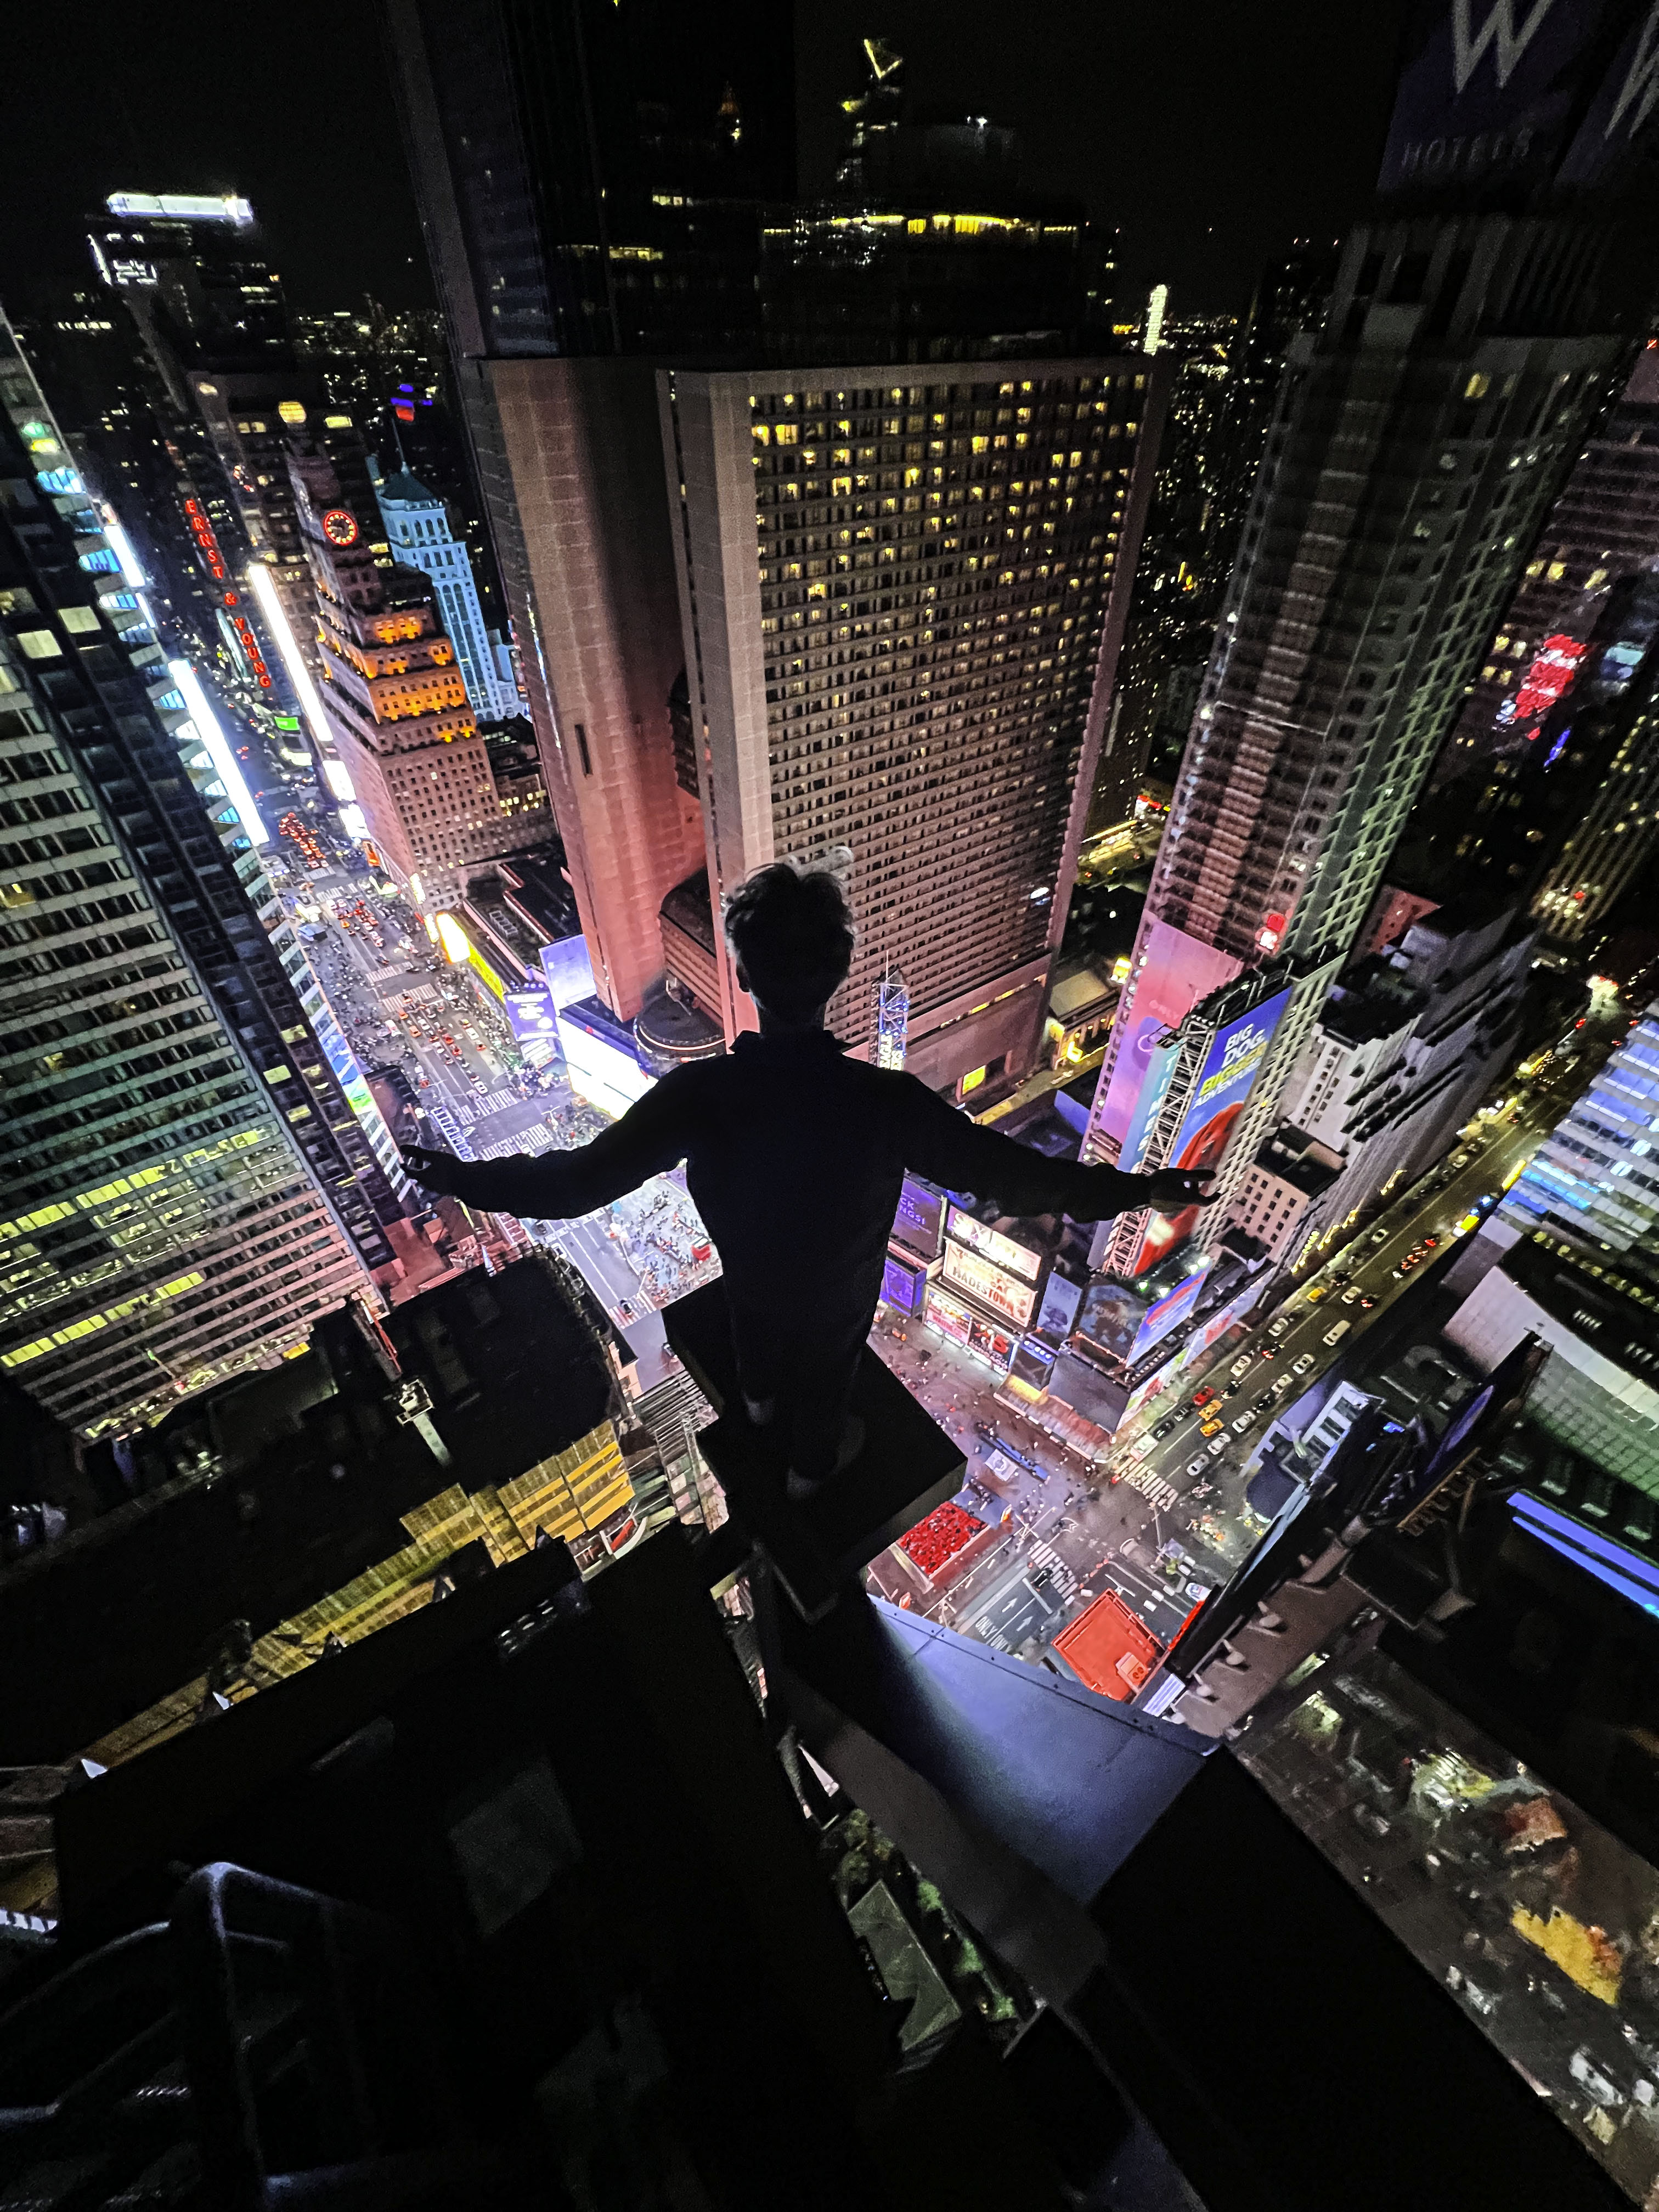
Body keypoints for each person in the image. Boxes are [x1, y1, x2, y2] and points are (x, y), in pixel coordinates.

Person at [402, 860, 1214, 1501]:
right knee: (828, 1385)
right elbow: (1017, 1179)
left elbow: (576, 1183)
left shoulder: (703, 1094)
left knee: (753, 1333)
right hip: (835, 1301)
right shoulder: (885, 1102)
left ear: (743, 976)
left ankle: (758, 1406)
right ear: (839, 974)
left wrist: (465, 1178)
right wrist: (1138, 1190)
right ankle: (808, 1473)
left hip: (751, 1283)